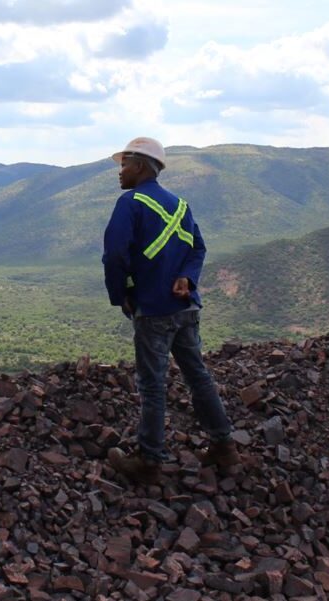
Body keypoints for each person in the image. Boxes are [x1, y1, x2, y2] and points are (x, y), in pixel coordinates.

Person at [101, 136, 241, 485]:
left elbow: (115, 256)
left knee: (152, 385)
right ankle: (224, 446)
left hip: (153, 308)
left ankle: (149, 460)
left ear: (139, 166)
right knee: (197, 375)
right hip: (185, 307)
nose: (119, 172)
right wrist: (187, 279)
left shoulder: (129, 203)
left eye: (124, 165)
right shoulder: (179, 205)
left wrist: (122, 295)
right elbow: (199, 248)